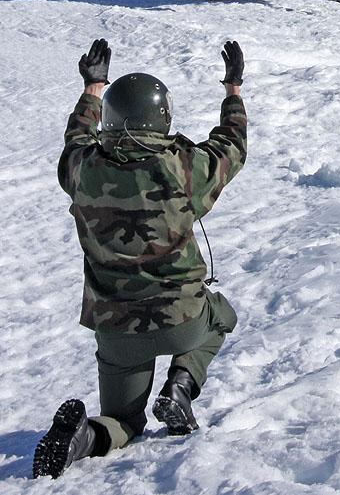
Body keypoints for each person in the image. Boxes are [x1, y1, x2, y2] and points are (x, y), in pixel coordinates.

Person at [33, 38, 247, 479]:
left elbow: (76, 138)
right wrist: (232, 91)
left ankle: (85, 437)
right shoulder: (185, 166)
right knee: (221, 315)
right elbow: (231, 145)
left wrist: (93, 88)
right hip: (182, 319)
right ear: (162, 116)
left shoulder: (84, 168)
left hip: (115, 328)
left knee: (124, 423)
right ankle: (182, 385)